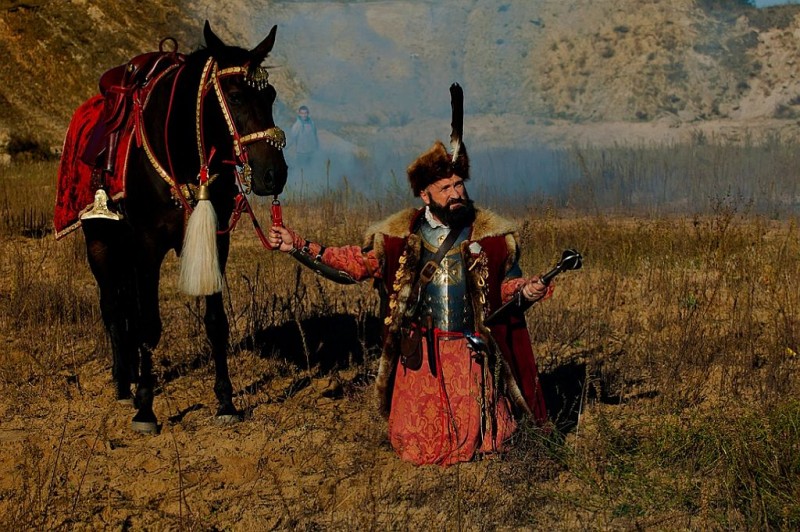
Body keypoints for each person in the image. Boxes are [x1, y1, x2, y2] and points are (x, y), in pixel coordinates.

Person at [268, 96, 550, 467]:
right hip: (420, 353)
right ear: (424, 194)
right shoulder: (398, 236)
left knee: (482, 440)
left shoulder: (491, 237)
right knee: (417, 444)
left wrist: (527, 290)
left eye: (459, 185)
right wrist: (298, 245)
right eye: (445, 188)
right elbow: (354, 265)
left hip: (468, 352)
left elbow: (505, 289)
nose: (456, 194)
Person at [289, 105, 319, 169]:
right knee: (301, 170)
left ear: (308, 113)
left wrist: (317, 146)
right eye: (302, 113)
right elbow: (292, 138)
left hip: (311, 152)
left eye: (305, 113)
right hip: (301, 153)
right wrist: (286, 147)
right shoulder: (296, 125)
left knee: (311, 170)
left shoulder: (312, 123)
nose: (304, 115)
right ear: (299, 114)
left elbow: (315, 136)